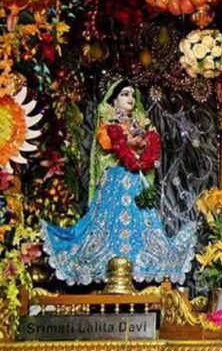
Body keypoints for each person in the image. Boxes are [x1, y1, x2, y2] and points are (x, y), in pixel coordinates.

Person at [42, 78, 196, 285]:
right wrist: (128, 142)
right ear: (114, 101)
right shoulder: (108, 122)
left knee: (141, 222)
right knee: (107, 224)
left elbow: (152, 148)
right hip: (115, 180)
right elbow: (107, 144)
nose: (130, 98)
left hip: (136, 181)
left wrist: (140, 145)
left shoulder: (141, 123)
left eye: (132, 95)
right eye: (124, 94)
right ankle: (107, 267)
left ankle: (138, 268)